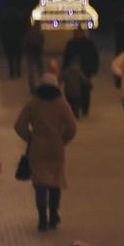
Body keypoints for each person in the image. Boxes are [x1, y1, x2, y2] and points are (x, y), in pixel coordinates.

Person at [15, 73, 79, 233]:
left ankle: (42, 217)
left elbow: (19, 125)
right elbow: (72, 127)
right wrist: (64, 139)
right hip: (56, 147)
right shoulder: (62, 104)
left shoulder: (33, 103)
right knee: (55, 181)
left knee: (40, 183)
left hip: (37, 147)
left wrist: (30, 137)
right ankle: (54, 214)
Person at [62, 30, 100, 117]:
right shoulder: (73, 43)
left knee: (84, 90)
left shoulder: (84, 43)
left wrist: (94, 68)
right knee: (76, 90)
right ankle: (77, 109)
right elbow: (66, 57)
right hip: (78, 70)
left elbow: (94, 56)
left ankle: (83, 109)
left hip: (85, 69)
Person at [0, 7, 28, 80]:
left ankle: (12, 72)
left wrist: (4, 43)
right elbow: (23, 32)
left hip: (9, 42)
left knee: (10, 58)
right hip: (18, 42)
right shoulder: (19, 22)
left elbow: (3, 34)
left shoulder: (6, 22)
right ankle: (18, 72)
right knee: (18, 58)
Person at [21, 25, 47, 92]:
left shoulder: (29, 33)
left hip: (30, 52)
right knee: (40, 69)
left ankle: (32, 86)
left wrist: (25, 49)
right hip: (38, 51)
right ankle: (42, 84)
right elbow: (42, 39)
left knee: (31, 70)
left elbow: (25, 41)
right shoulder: (39, 32)